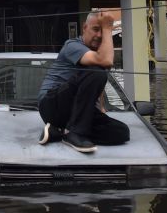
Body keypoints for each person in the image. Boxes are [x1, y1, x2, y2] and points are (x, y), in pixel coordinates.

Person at [36, 9, 130, 153]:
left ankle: (60, 132)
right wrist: (107, 27)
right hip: (52, 105)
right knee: (97, 71)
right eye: (95, 29)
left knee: (121, 132)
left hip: (74, 114)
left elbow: (95, 89)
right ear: (84, 28)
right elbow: (105, 61)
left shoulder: (97, 55)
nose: (99, 35)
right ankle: (75, 134)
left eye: (102, 32)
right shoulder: (72, 45)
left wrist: (102, 111)